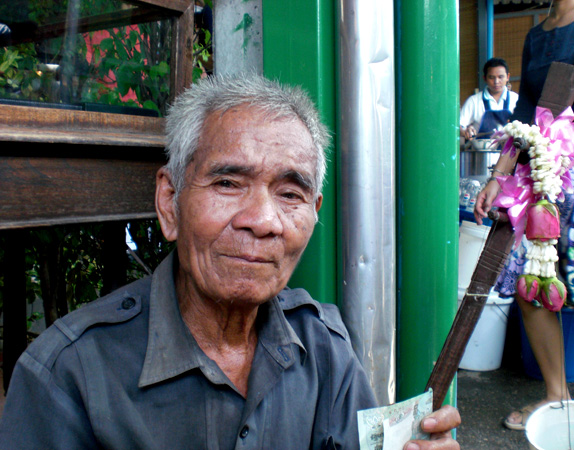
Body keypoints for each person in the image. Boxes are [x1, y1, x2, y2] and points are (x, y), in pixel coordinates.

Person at [0, 75, 461, 449]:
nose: (263, 221)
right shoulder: (67, 375)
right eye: (226, 183)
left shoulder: (324, 348)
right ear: (169, 201)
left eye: (289, 194)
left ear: (313, 214)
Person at [474, 0, 574, 431]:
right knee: (532, 283)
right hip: (547, 176)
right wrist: (498, 176)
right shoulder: (537, 35)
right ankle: (558, 398)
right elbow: (526, 117)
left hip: (566, 166)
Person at [460, 57, 519, 141]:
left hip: (510, 153)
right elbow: (459, 126)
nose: (496, 81)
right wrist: (466, 131)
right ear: (484, 78)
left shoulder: (516, 99)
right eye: (491, 77)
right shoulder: (473, 101)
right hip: (482, 152)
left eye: (500, 77)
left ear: (508, 77)